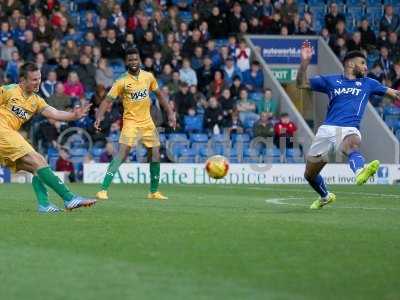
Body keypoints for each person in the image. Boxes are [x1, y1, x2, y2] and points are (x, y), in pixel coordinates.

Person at [297, 41, 400, 209]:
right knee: (309, 174)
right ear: (350, 64)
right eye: (363, 63)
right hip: (327, 129)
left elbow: (394, 93)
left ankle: (360, 171)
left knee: (350, 145)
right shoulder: (330, 81)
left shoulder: (369, 83)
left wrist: (396, 95)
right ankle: (325, 196)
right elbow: (301, 84)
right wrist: (304, 63)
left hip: (350, 127)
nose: (366, 68)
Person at [0, 62, 96, 213]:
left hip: (7, 136)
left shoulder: (36, 100)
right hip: (2, 131)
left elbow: (55, 113)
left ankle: (44, 205)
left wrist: (73, 115)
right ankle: (69, 198)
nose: (37, 82)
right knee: (38, 161)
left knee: (38, 165)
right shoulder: (9, 90)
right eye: (33, 79)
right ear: (22, 80)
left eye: (39, 78)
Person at [95, 48, 176, 201]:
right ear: (127, 62)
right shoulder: (121, 81)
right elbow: (107, 101)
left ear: (139, 60)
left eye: (135, 59)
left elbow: (160, 96)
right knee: (122, 153)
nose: (133, 62)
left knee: (155, 154)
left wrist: (171, 113)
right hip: (131, 122)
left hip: (147, 122)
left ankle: (153, 192)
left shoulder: (148, 77)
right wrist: (99, 117)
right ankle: (103, 190)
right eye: (130, 60)